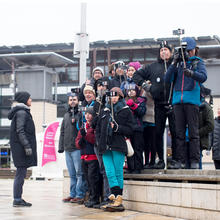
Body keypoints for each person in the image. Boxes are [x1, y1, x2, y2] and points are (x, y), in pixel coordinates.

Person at [133, 41, 176, 169]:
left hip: (173, 104)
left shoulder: (175, 65)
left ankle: (176, 159)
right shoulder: (152, 67)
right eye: (161, 50)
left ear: (170, 52)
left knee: (175, 132)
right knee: (158, 133)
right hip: (158, 104)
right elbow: (136, 75)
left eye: (166, 50)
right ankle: (161, 160)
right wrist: (146, 86)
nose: (163, 52)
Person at [165, 37, 207, 169]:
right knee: (179, 133)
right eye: (185, 51)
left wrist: (191, 73)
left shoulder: (198, 62)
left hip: (191, 101)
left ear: (194, 49)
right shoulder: (177, 64)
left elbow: (203, 77)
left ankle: (194, 161)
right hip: (178, 101)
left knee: (193, 132)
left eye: (189, 50)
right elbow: (167, 78)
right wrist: (174, 63)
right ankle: (181, 161)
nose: (187, 53)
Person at [96, 87, 133, 212]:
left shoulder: (125, 111)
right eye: (111, 96)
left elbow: (131, 129)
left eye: (115, 95)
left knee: (118, 172)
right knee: (109, 173)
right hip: (105, 147)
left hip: (118, 145)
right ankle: (114, 197)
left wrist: (117, 128)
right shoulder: (105, 110)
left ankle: (118, 198)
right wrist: (99, 141)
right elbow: (98, 128)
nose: (113, 98)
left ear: (120, 97)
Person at [8, 91, 37, 207]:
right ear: (24, 100)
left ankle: (18, 198)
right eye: (29, 98)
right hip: (21, 149)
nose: (31, 100)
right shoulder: (22, 113)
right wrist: (26, 146)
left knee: (21, 173)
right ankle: (17, 199)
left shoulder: (21, 112)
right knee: (20, 174)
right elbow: (20, 131)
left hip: (19, 148)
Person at [58, 93, 85, 204]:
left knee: (79, 173)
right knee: (72, 174)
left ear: (78, 101)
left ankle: (79, 194)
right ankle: (72, 194)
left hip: (77, 148)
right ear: (68, 102)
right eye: (70, 100)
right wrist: (61, 146)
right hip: (67, 148)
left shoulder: (80, 113)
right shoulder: (66, 115)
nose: (72, 101)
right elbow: (62, 131)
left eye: (74, 99)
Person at [75, 107, 100, 208]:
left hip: (93, 156)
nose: (87, 116)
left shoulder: (94, 126)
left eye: (90, 114)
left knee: (93, 178)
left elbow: (95, 140)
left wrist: (85, 136)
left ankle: (95, 198)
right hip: (83, 156)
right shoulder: (83, 126)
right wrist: (80, 142)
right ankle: (90, 197)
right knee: (87, 179)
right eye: (86, 114)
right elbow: (77, 141)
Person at [125, 85, 146, 174]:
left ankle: (138, 167)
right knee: (129, 149)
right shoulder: (124, 102)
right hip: (128, 128)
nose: (131, 92)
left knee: (137, 148)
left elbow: (141, 112)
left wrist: (133, 105)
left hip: (137, 128)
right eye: (129, 90)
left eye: (133, 90)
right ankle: (131, 167)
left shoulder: (141, 101)